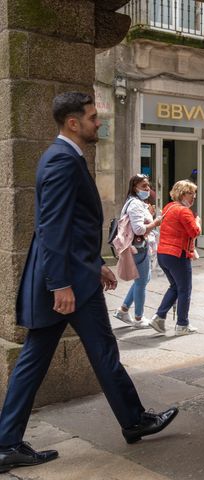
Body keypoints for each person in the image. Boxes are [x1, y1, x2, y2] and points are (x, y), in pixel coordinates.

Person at [0, 92, 178, 474]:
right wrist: (61, 284)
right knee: (95, 352)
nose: (100, 123)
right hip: (67, 286)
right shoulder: (63, 160)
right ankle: (133, 421)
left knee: (54, 358)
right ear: (73, 123)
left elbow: (74, 227)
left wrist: (96, 263)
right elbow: (51, 229)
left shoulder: (65, 157)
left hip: (74, 277)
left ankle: (7, 443)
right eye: (94, 117)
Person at [149, 180, 201, 336]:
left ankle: (159, 317)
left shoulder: (168, 207)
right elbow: (194, 232)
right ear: (183, 193)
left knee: (175, 287)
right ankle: (182, 325)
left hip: (164, 253)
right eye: (191, 193)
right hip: (177, 254)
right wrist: (197, 222)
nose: (194, 197)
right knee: (184, 289)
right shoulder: (184, 211)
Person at [113, 175, 162, 327]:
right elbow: (139, 229)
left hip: (140, 247)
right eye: (143, 186)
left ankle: (123, 310)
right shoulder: (135, 204)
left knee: (143, 280)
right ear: (135, 187)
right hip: (138, 248)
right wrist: (155, 222)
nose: (147, 189)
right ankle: (138, 318)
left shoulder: (136, 202)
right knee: (141, 282)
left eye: (148, 186)